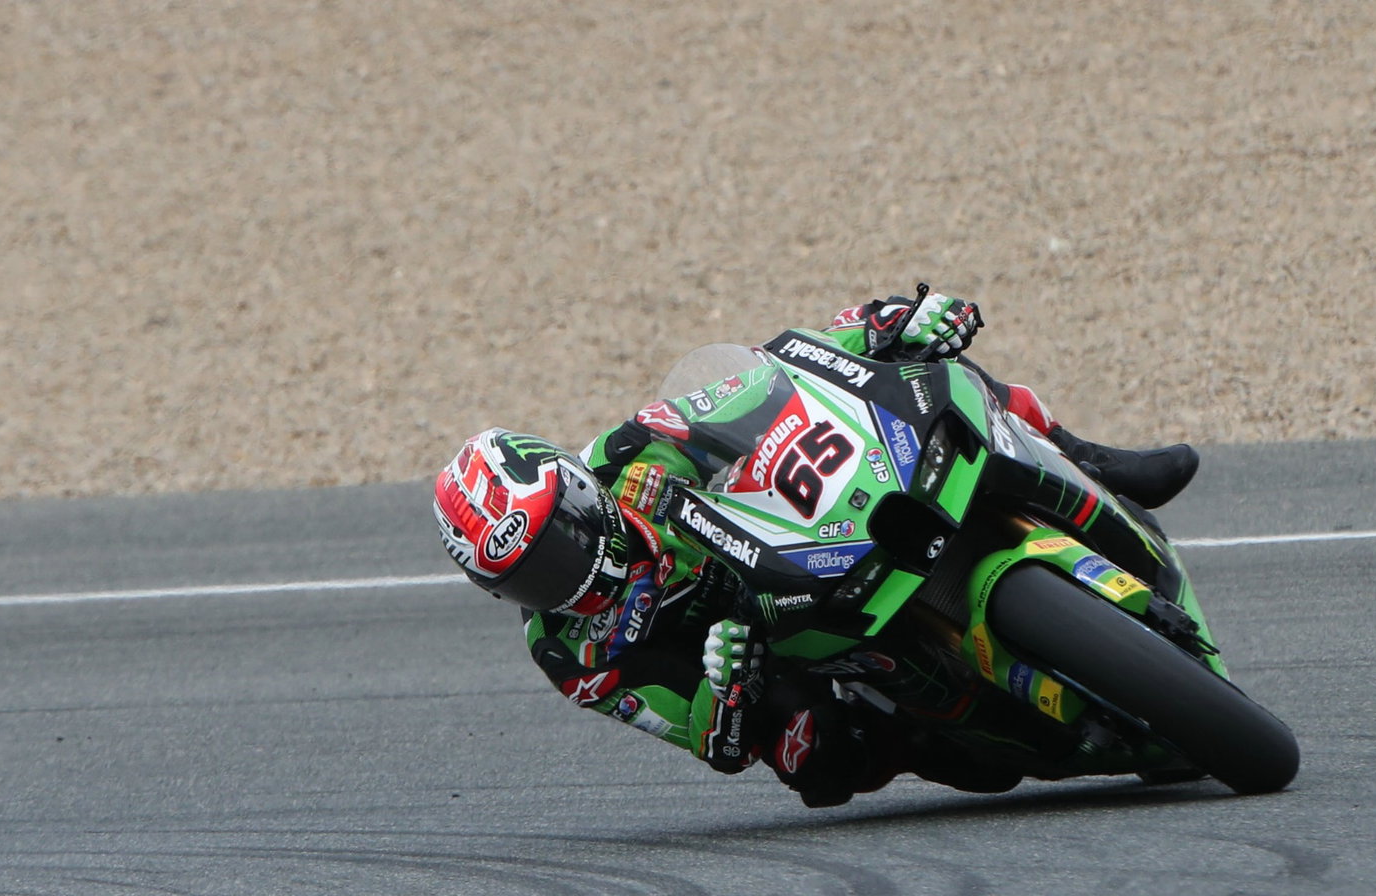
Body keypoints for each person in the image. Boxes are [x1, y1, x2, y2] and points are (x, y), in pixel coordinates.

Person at [433, 290, 1199, 807]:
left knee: (930, 368)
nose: (553, 581)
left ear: (576, 493)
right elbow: (702, 737)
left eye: (551, 550)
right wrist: (723, 690)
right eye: (525, 579)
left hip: (810, 540)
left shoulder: (633, 449)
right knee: (818, 761)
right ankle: (964, 724)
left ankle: (1086, 458)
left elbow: (771, 382)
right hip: (775, 646)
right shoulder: (570, 653)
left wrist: (875, 326)